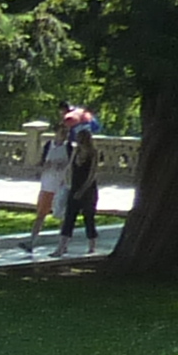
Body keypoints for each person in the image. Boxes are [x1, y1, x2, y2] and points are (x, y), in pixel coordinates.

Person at [58, 109, 103, 255]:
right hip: (75, 186)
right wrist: (67, 182)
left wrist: (83, 190)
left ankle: (92, 246)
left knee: (88, 217)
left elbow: (92, 174)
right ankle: (62, 246)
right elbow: (69, 167)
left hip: (88, 189)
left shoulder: (93, 153)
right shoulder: (76, 151)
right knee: (69, 217)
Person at [28, 119, 72, 252]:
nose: (63, 135)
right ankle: (32, 241)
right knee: (40, 214)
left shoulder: (68, 147)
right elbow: (41, 162)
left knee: (62, 216)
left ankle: (62, 245)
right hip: (47, 185)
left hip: (61, 185)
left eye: (65, 132)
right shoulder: (49, 145)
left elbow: (71, 165)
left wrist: (64, 166)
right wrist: (43, 166)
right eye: (61, 132)